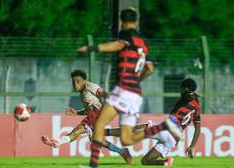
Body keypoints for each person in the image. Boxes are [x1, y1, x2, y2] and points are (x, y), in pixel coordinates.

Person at [77, 8, 155, 167]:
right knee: (126, 139)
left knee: (98, 124)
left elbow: (117, 45)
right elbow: (150, 69)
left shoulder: (126, 35)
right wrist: (137, 80)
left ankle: (93, 165)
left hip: (124, 89)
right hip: (135, 93)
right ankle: (159, 129)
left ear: (121, 21)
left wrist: (93, 48)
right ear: (137, 21)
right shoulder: (143, 43)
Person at [104, 78, 201, 167]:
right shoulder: (197, 106)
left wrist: (190, 94)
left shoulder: (186, 98)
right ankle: (166, 163)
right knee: (145, 161)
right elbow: (198, 128)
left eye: (181, 89)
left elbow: (187, 97)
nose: (180, 91)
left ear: (186, 89)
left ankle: (104, 132)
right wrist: (192, 146)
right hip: (174, 139)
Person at [41, 70, 131, 164]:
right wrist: (76, 113)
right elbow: (88, 110)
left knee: (78, 130)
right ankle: (123, 152)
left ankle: (58, 142)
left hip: (98, 114)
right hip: (93, 114)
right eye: (73, 81)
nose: (75, 84)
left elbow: (105, 94)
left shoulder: (90, 87)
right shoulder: (82, 93)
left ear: (84, 81)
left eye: (78, 81)